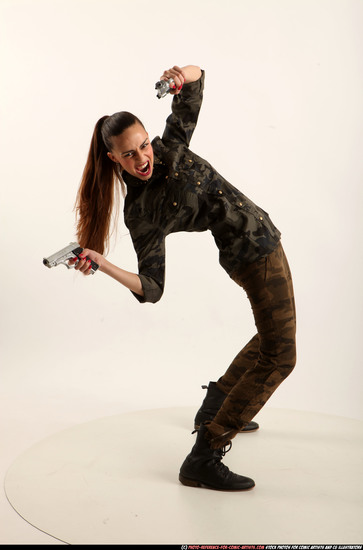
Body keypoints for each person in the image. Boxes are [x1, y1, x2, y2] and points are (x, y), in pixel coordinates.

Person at [71, 65, 297, 491]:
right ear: (112, 158)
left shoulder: (170, 145)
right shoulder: (141, 213)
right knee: (281, 356)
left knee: (271, 341)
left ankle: (214, 406)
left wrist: (180, 74)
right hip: (253, 254)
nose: (142, 159)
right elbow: (150, 288)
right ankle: (205, 454)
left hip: (261, 240)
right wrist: (101, 262)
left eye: (142, 146)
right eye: (129, 154)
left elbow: (195, 83)